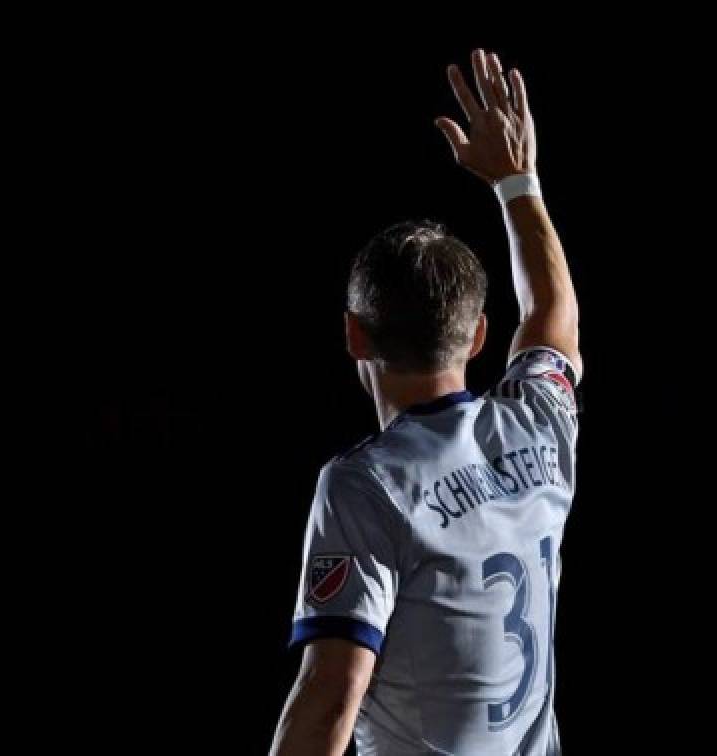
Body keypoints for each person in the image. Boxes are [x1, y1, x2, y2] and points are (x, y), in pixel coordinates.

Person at [269, 49, 582, 756]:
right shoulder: (541, 422)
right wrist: (516, 181)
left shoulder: (367, 484)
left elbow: (329, 700)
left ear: (353, 335)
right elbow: (553, 314)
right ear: (477, 335)